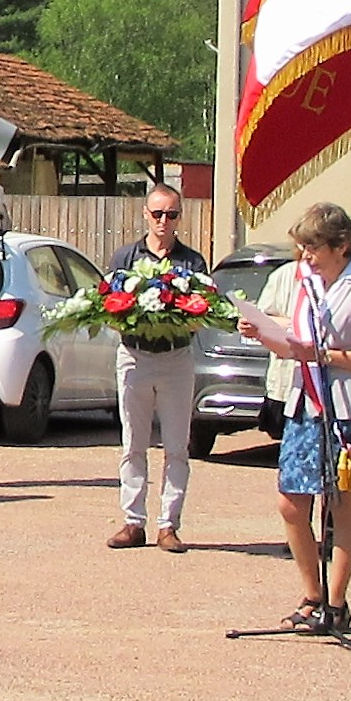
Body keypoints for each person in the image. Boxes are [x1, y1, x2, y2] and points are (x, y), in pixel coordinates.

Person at [236, 203, 351, 633]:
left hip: (346, 410)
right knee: (291, 502)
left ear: (341, 246)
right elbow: (295, 342)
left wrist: (323, 354)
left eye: (313, 247)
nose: (305, 255)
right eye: (302, 247)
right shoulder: (305, 284)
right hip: (303, 403)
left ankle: (337, 602)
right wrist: (264, 330)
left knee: (339, 503)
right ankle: (311, 594)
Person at [106, 184, 207, 552]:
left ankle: (169, 525)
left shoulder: (192, 263)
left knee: (177, 445)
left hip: (176, 358)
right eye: (158, 213)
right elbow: (110, 308)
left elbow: (201, 310)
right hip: (135, 356)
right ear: (146, 214)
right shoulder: (125, 257)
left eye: (172, 214)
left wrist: (177, 317)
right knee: (133, 443)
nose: (165, 221)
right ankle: (133, 522)